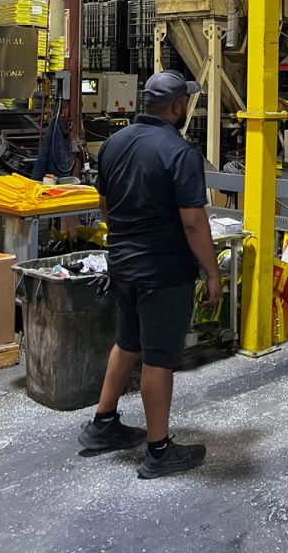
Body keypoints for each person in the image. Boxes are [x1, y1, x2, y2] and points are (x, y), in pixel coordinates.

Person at [77, 70, 222, 479]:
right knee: (158, 358)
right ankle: (158, 451)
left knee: (128, 342)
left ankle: (103, 423)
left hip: (122, 264)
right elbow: (193, 221)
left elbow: (104, 205)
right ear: (177, 106)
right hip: (163, 272)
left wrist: (126, 240)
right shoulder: (180, 152)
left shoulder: (114, 143)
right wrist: (212, 272)